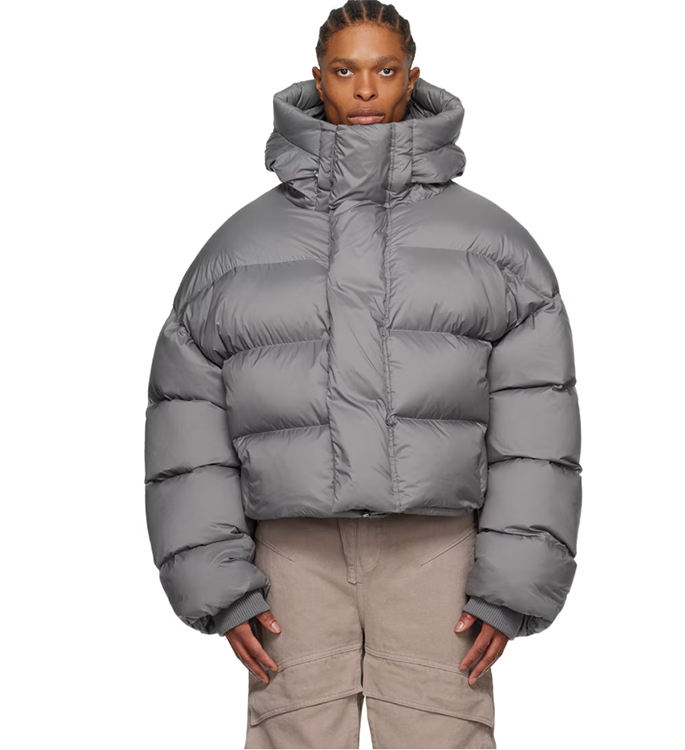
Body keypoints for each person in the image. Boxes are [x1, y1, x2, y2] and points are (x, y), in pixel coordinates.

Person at [143, 1, 583, 747]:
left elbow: (538, 420)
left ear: (413, 78)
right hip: (291, 559)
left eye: (386, 69)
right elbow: (185, 419)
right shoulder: (237, 250)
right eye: (345, 70)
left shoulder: (493, 246)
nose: (367, 89)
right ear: (318, 80)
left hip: (439, 555)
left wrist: (514, 578)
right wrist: (216, 580)